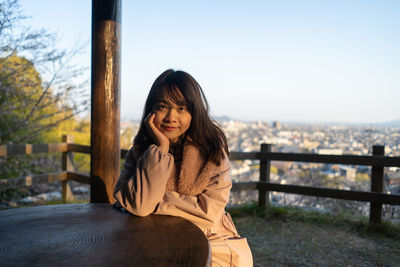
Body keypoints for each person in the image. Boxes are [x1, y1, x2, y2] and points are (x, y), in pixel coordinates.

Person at [113, 69, 253, 267]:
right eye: (163, 106)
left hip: (211, 243)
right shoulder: (140, 151)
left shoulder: (212, 151)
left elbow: (206, 215)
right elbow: (135, 205)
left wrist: (154, 204)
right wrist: (160, 150)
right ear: (151, 110)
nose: (171, 117)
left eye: (181, 108)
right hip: (152, 242)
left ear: (194, 112)